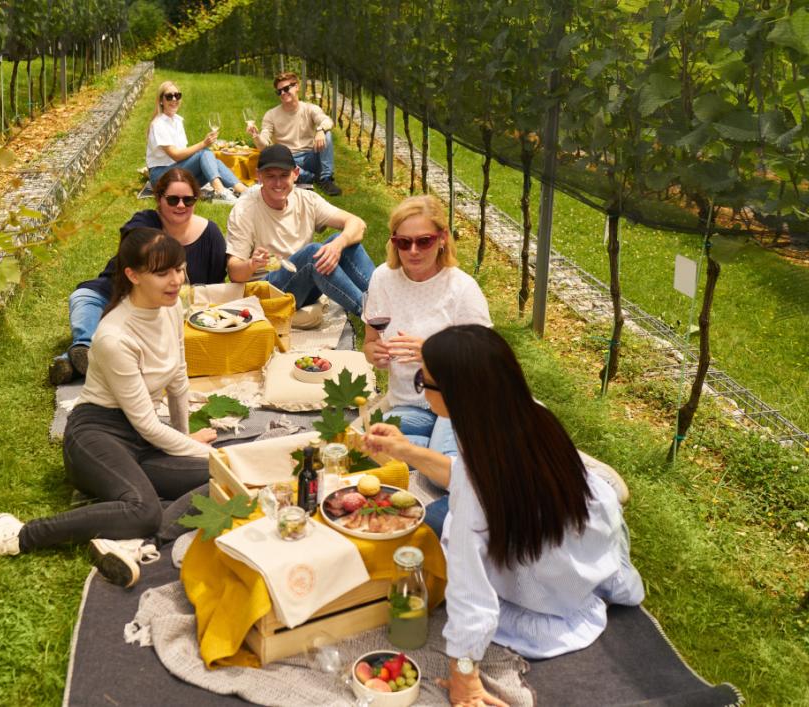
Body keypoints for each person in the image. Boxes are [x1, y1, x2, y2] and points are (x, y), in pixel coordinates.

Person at [363, 325, 644, 706]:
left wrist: (465, 678)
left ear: (455, 393)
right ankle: (604, 481)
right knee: (447, 513)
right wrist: (405, 451)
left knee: (431, 527)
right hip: (580, 558)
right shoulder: (530, 414)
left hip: (544, 595)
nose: (421, 391)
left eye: (422, 381)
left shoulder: (477, 486)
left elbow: (471, 594)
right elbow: (465, 475)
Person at [0, 228, 218, 588]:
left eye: (179, 269)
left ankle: (125, 538)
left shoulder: (171, 307)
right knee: (145, 509)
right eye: (162, 272)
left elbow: (178, 378)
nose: (176, 280)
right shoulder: (114, 336)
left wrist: (184, 440)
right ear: (133, 275)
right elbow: (148, 425)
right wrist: (204, 452)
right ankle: (18, 534)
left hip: (141, 440)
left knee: (220, 477)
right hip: (97, 436)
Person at [361, 196, 492, 535]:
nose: (413, 251)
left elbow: (486, 363)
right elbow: (370, 341)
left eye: (424, 241)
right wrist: (375, 353)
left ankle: (456, 504)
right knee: (372, 445)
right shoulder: (383, 279)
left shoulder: (461, 288)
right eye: (403, 242)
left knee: (440, 476)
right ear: (393, 242)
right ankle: (466, 460)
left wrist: (433, 353)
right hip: (408, 403)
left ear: (442, 238)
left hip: (456, 403)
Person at [49, 168, 228, 385]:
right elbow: (133, 247)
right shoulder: (143, 223)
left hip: (164, 311)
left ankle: (76, 362)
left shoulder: (211, 235)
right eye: (173, 200)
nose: (181, 205)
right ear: (159, 199)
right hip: (117, 293)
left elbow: (213, 286)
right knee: (84, 299)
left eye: (188, 200)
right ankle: (85, 348)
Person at [225, 144, 373, 316]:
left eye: (284, 175)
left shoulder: (306, 199)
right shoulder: (245, 210)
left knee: (343, 242)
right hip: (265, 293)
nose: (278, 183)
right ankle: (371, 315)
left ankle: (384, 300)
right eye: (270, 176)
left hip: (303, 283)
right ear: (259, 176)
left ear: (295, 173)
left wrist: (339, 244)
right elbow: (234, 273)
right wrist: (252, 264)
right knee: (313, 253)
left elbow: (358, 224)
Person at [146, 80, 247, 204]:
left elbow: (183, 153)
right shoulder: (159, 124)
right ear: (161, 101)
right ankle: (220, 192)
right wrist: (203, 144)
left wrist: (203, 151)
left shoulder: (177, 121)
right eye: (169, 96)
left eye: (177, 95)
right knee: (204, 152)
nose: (174, 99)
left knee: (213, 163)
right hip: (160, 177)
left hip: (176, 171)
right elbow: (176, 155)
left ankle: (244, 191)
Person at [247, 71, 342, 196]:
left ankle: (326, 179)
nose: (283, 93)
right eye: (279, 91)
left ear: (296, 86)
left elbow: (327, 121)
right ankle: (310, 178)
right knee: (271, 154)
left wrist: (320, 130)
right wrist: (256, 136)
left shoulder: (310, 108)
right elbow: (264, 145)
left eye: (286, 89)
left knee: (327, 134)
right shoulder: (271, 115)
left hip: (311, 156)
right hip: (288, 159)